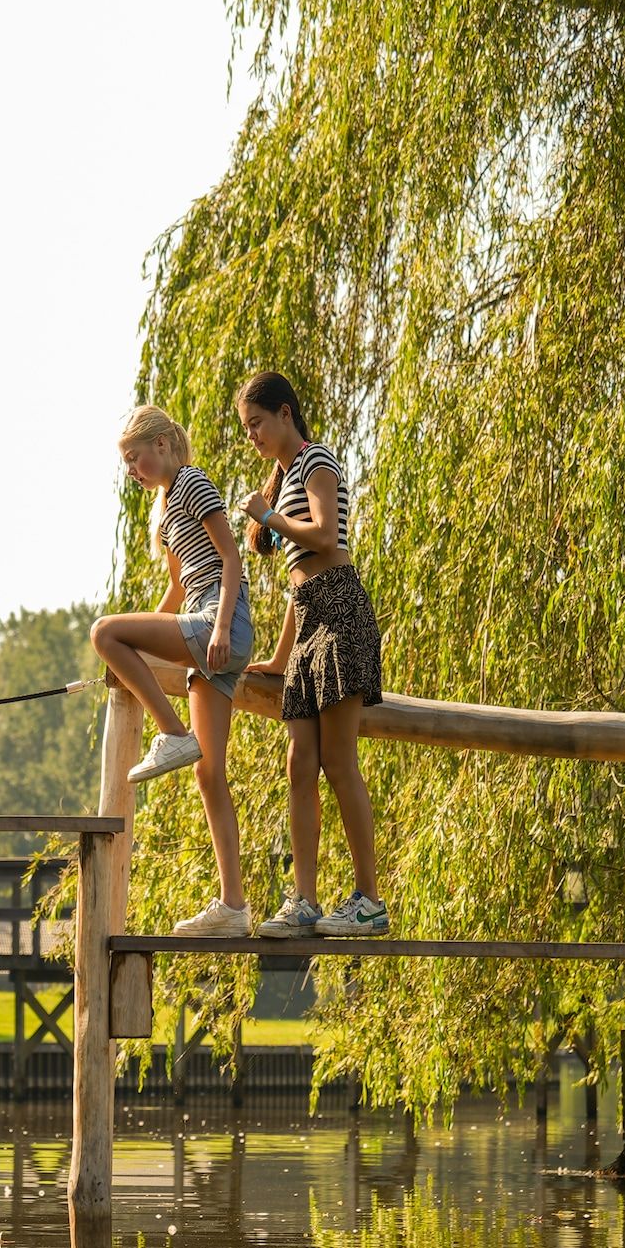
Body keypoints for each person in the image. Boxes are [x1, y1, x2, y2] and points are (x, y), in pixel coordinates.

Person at [90, 405, 256, 936]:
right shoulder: (165, 510)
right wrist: (137, 657)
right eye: (128, 465)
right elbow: (176, 591)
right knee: (209, 775)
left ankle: (171, 733)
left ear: (162, 444)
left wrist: (223, 627)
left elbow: (231, 559)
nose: (133, 471)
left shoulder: (190, 482)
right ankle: (234, 907)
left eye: (136, 459)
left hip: (219, 620)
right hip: (204, 625)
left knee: (104, 632)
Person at [235, 371, 390, 937]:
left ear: (284, 413)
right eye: (246, 428)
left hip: (342, 611)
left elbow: (326, 538)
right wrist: (280, 660)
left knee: (337, 761)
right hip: (309, 621)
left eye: (256, 423)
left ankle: (370, 901)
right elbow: (297, 585)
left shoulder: (316, 460)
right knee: (299, 764)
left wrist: (269, 517)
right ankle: (304, 901)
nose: (252, 435)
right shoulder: (282, 478)